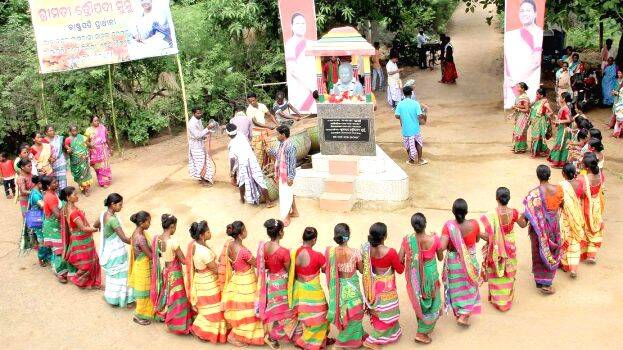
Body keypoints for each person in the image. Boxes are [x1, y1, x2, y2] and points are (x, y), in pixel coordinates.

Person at [479, 188, 527, 311]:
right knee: (508, 271)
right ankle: (506, 299)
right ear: (508, 198)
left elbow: (488, 237)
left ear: (496, 198)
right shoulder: (514, 213)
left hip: (496, 248)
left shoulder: (491, 215)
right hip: (509, 248)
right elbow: (523, 225)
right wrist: (527, 214)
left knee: (495, 270)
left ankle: (497, 300)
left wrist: (477, 233)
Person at [398, 213, 443, 344]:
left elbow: (400, 258)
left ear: (413, 226)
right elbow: (440, 257)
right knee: (433, 301)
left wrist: (413, 259)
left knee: (420, 300)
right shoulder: (434, 239)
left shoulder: (407, 240)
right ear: (425, 224)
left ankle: (423, 326)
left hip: (415, 278)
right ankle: (422, 332)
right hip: (431, 275)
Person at [219, 221, 265, 346]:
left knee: (239, 310)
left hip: (236, 279)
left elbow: (221, 260)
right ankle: (236, 336)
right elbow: (257, 264)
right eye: (245, 230)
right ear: (240, 235)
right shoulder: (243, 251)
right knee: (249, 311)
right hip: (246, 282)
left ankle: (236, 333)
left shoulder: (229, 245)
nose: (246, 231)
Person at [361, 222, 404, 348]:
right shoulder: (390, 252)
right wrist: (402, 258)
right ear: (385, 236)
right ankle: (372, 340)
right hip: (387, 288)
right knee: (388, 312)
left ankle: (390, 334)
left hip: (373, 287)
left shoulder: (366, 249)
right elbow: (400, 270)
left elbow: (363, 268)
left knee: (379, 311)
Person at [440, 198, 482, 326]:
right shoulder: (474, 224)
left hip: (454, 263)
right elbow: (478, 239)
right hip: (470, 261)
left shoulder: (448, 226)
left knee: (456, 288)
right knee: (470, 288)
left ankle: (460, 312)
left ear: (453, 211)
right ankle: (464, 315)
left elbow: (442, 246)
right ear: (467, 212)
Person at [185, 220, 228, 343]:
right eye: (208, 232)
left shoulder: (194, 244)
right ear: (202, 236)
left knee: (206, 308)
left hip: (200, 279)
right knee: (213, 309)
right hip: (208, 282)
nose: (210, 233)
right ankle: (205, 333)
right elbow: (215, 269)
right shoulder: (203, 252)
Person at [523, 165, 563, 294]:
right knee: (552, 250)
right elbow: (562, 205)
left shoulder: (533, 195)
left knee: (538, 251)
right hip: (554, 227)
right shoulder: (559, 189)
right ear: (549, 175)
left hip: (538, 229)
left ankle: (540, 280)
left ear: (537, 176)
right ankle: (547, 282)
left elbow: (527, 215)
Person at [256, 219, 296, 348]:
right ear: (280, 232)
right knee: (288, 312)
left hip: (270, 281)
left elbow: (265, 264)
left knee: (277, 311)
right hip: (281, 283)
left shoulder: (263, 246)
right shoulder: (283, 252)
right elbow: (289, 271)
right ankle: (272, 336)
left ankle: (273, 334)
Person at [325, 223, 366, 348]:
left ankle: (357, 335)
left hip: (339, 289)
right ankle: (343, 341)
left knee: (345, 313)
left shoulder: (330, 252)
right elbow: (362, 270)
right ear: (348, 236)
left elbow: (326, 268)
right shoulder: (355, 253)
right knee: (355, 312)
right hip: (353, 288)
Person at [290, 227, 331, 350]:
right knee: (321, 317)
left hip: (299, 291)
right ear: (314, 240)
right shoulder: (317, 256)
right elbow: (326, 270)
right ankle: (308, 342)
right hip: (312, 292)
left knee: (306, 317)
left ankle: (319, 340)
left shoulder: (294, 252)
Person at [151, 214, 192, 334]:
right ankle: (177, 325)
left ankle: (169, 318)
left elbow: (159, 255)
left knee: (169, 296)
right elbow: (184, 261)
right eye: (175, 227)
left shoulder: (157, 239)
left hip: (166, 271)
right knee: (178, 299)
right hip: (175, 273)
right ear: (172, 226)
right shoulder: (173, 242)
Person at [94, 193, 135, 307]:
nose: (121, 207)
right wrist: (137, 242)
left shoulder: (103, 215)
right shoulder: (113, 220)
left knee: (113, 277)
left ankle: (112, 299)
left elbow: (95, 224)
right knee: (122, 275)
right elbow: (124, 238)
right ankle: (124, 299)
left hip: (108, 249)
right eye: (120, 205)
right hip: (116, 251)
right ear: (113, 204)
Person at [503, 0, 543, 107]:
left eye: (528, 10)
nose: (524, 13)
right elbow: (507, 58)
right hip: (511, 81)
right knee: (515, 106)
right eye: (522, 11)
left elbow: (536, 62)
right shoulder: (511, 35)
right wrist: (509, 78)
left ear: (535, 13)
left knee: (526, 105)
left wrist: (516, 80)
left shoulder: (538, 34)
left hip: (528, 79)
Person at [59, 186, 101, 289]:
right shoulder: (73, 213)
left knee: (90, 260)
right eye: (75, 195)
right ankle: (78, 279)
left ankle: (88, 282)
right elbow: (83, 228)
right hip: (81, 240)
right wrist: (98, 229)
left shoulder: (68, 208)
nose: (77, 196)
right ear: (68, 198)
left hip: (79, 238)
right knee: (87, 263)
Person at [226, 123, 273, 207]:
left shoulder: (231, 145)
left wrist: (231, 171)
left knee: (241, 181)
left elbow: (232, 159)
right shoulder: (241, 135)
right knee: (260, 180)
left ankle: (242, 199)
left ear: (228, 134)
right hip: (252, 161)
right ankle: (268, 202)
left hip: (243, 164)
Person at [284, 12, 317, 112]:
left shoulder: (311, 44)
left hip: (313, 87)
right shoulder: (290, 44)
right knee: (302, 115)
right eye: (298, 24)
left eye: (303, 24)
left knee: (314, 115)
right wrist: (310, 86)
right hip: (299, 87)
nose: (301, 26)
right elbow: (292, 69)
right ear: (292, 26)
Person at [128, 211, 155, 326]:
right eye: (148, 222)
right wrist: (159, 253)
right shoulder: (140, 237)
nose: (150, 224)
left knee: (147, 291)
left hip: (141, 265)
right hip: (143, 267)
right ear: (141, 223)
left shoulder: (138, 232)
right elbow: (149, 255)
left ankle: (149, 312)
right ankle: (139, 315)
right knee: (144, 293)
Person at [559, 163, 586, 277]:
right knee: (575, 239)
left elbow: (559, 201)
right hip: (577, 215)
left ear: (563, 174)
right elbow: (583, 196)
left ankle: (565, 264)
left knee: (565, 237)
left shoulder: (561, 185)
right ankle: (574, 268)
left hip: (565, 216)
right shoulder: (579, 183)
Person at [41, 176, 69, 282]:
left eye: (56, 182)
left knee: (60, 248)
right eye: (54, 183)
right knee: (59, 250)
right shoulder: (50, 197)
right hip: (52, 227)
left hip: (55, 225)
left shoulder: (53, 193)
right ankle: (59, 273)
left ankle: (63, 269)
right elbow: (57, 214)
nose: (56, 184)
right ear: (48, 186)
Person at [578, 153, 605, 264]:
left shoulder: (583, 179)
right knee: (595, 228)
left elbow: (581, 193)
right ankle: (592, 255)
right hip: (596, 203)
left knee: (585, 227)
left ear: (587, 167)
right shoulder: (599, 173)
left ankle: (582, 252)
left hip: (586, 205)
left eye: (583, 164)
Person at [269, 125, 298, 226]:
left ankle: (287, 216)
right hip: (283, 174)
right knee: (288, 193)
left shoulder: (289, 146)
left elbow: (292, 163)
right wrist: (269, 150)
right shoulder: (282, 144)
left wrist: (290, 177)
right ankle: (295, 211)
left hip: (286, 175)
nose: (276, 136)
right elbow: (279, 155)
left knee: (285, 195)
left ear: (283, 135)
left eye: (278, 134)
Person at [395, 86, 428, 166]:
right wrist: (424, 115)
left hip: (405, 129)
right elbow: (420, 115)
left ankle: (411, 160)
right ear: (411, 93)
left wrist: (403, 116)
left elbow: (397, 116)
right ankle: (420, 160)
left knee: (408, 144)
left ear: (403, 94)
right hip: (415, 129)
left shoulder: (400, 104)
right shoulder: (415, 103)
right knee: (418, 144)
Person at [187, 107, 215, 186]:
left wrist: (207, 132)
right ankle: (203, 181)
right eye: (198, 113)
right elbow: (197, 135)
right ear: (193, 113)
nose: (200, 114)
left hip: (200, 144)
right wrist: (207, 128)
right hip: (195, 146)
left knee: (203, 161)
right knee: (200, 163)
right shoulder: (192, 123)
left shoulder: (198, 120)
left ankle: (203, 178)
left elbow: (201, 132)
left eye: (200, 113)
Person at [28, 175, 51, 266]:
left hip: (39, 218)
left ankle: (45, 256)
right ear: (39, 184)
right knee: (42, 240)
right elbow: (42, 205)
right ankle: (41, 257)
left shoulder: (37, 191)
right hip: (38, 219)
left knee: (44, 238)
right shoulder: (35, 195)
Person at [64, 126, 93, 196]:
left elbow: (88, 143)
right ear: (70, 131)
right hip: (75, 160)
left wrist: (90, 144)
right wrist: (69, 150)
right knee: (79, 174)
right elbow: (67, 147)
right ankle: (82, 188)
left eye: (76, 130)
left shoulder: (82, 137)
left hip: (84, 159)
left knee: (85, 173)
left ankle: (86, 189)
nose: (75, 132)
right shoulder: (68, 139)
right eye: (73, 131)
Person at [85, 115, 112, 187]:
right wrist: (90, 145)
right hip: (94, 151)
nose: (97, 122)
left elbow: (107, 139)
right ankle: (101, 181)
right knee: (97, 167)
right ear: (91, 122)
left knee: (104, 165)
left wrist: (110, 148)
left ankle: (105, 182)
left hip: (103, 149)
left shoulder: (103, 128)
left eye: (97, 120)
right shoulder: (88, 130)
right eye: (95, 121)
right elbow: (86, 141)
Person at [548, 92, 574, 168]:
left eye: (560, 97)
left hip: (564, 130)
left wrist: (559, 121)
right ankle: (560, 162)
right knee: (561, 145)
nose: (559, 98)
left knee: (560, 144)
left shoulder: (565, 108)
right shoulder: (564, 108)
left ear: (564, 99)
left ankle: (559, 163)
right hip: (562, 128)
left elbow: (569, 120)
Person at [17, 159, 36, 251]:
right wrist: (34, 192)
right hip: (26, 201)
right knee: (29, 221)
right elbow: (23, 191)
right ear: (22, 167)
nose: (31, 167)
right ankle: (31, 243)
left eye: (31, 165)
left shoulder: (30, 175)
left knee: (36, 219)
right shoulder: (21, 178)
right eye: (29, 166)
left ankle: (35, 240)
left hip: (33, 200)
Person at [529, 87, 553, 158]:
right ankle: (538, 151)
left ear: (542, 95)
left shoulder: (545, 103)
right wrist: (535, 101)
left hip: (540, 122)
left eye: (537, 94)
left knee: (537, 136)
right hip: (535, 122)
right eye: (536, 94)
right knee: (535, 136)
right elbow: (530, 107)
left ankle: (536, 152)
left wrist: (545, 115)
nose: (536, 95)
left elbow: (551, 112)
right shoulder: (537, 101)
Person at [509, 82, 532, 153]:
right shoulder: (520, 96)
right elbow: (521, 105)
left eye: (518, 87)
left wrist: (517, 108)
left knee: (521, 132)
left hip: (524, 117)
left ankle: (521, 148)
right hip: (519, 116)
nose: (517, 88)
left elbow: (527, 109)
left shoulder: (524, 97)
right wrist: (515, 107)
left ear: (522, 89)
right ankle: (518, 146)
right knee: (518, 131)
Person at [44, 125, 67, 190]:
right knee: (53, 180)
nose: (52, 132)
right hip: (50, 163)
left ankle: (63, 193)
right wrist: (50, 158)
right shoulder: (44, 141)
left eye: (53, 130)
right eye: (50, 131)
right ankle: (56, 195)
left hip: (60, 161)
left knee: (62, 178)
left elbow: (64, 148)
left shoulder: (59, 138)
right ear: (46, 133)